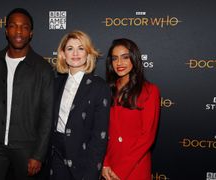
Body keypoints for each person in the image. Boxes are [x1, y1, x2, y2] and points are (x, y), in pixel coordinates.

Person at [0, 8, 54, 180]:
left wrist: (38, 154)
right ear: (6, 30)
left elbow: (47, 116)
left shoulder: (43, 69)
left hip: (27, 148)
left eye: (24, 27)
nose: (18, 31)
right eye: (13, 26)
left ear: (31, 33)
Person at [46, 30, 111, 180]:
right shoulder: (56, 84)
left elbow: (100, 137)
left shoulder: (99, 87)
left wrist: (92, 173)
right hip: (56, 156)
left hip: (83, 158)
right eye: (70, 48)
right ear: (63, 54)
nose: (75, 53)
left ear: (88, 53)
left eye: (81, 48)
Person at [102, 38, 160, 180]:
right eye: (115, 58)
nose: (119, 63)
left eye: (125, 57)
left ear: (134, 58)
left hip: (135, 167)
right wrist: (105, 163)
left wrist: (121, 170)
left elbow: (147, 136)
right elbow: (100, 131)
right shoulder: (106, 90)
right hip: (108, 167)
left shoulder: (150, 91)